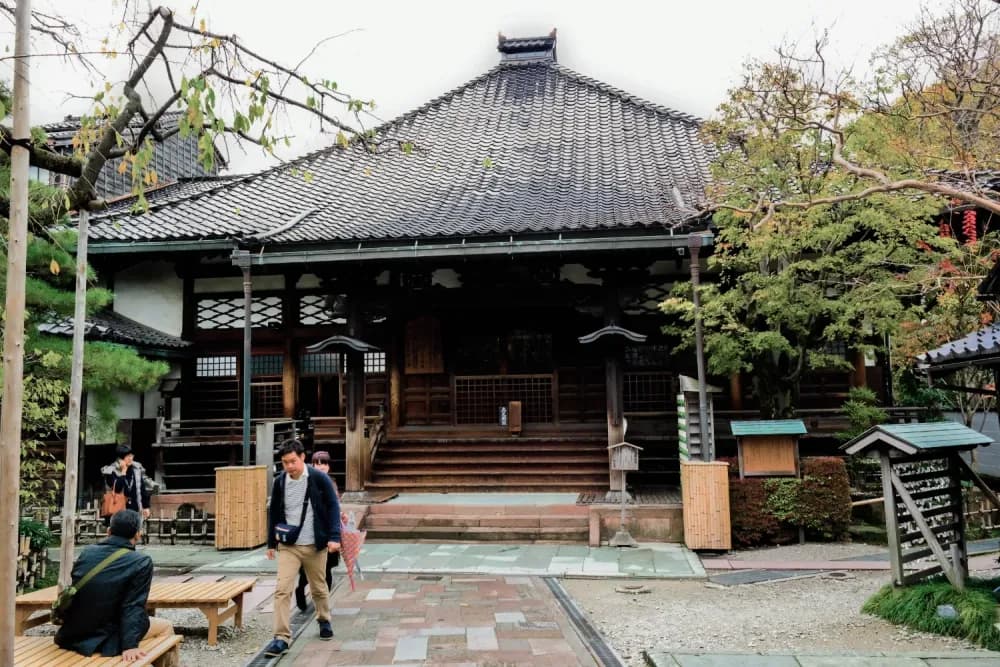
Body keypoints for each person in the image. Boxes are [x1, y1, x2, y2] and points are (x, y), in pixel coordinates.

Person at [55, 509, 173, 661]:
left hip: (72, 634)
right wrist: (130, 645)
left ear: (108, 531)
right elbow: (133, 605)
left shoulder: (87, 552)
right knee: (166, 627)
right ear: (138, 534)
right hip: (107, 638)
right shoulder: (141, 562)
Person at [264, 439, 341, 658]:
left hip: (315, 544)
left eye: (293, 461)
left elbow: (334, 506)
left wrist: (334, 536)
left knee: (318, 587)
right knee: (282, 589)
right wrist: (271, 542)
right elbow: (274, 513)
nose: (289, 466)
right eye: (285, 462)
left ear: (303, 458)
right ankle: (281, 638)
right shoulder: (280, 482)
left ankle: (324, 619)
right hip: (289, 545)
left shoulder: (318, 478)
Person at [294, 450, 342, 611]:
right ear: (313, 465)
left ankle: (324, 605)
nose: (321, 466)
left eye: (325, 463)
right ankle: (300, 590)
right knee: (307, 570)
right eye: (318, 463)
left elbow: (334, 505)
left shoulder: (332, 482)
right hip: (311, 531)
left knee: (327, 569)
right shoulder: (307, 481)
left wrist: (340, 516)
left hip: (329, 531)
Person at [101, 444, 151, 522]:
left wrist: (146, 507)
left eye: (131, 455)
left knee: (135, 532)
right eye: (128, 456)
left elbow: (142, 489)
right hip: (118, 511)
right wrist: (123, 471)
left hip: (135, 509)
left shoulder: (136, 469)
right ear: (120, 459)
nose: (131, 458)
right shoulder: (111, 470)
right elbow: (117, 488)